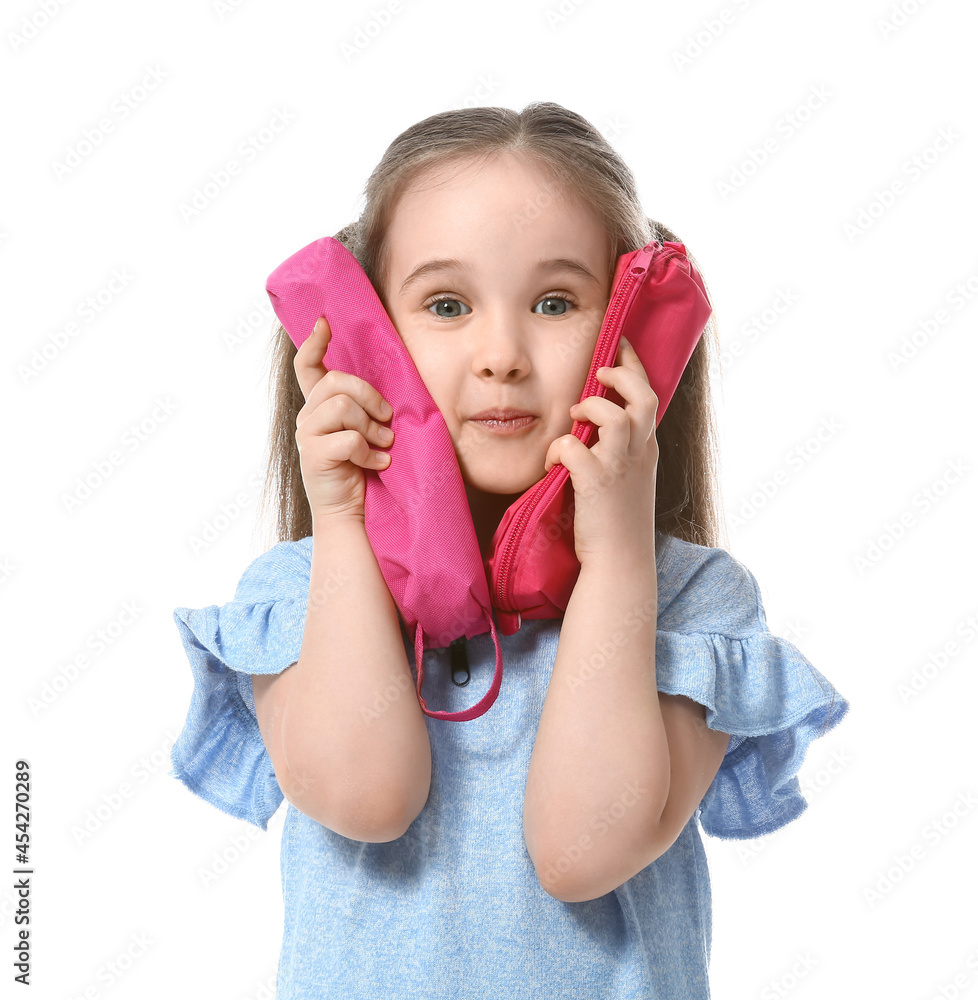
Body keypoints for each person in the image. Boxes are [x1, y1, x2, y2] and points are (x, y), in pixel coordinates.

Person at [169, 102, 850, 999]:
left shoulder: (692, 602)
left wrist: (613, 564)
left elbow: (581, 850)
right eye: (446, 305)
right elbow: (364, 796)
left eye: (556, 302)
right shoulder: (302, 589)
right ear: (365, 337)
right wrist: (343, 521)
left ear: (634, 336)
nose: (502, 355)